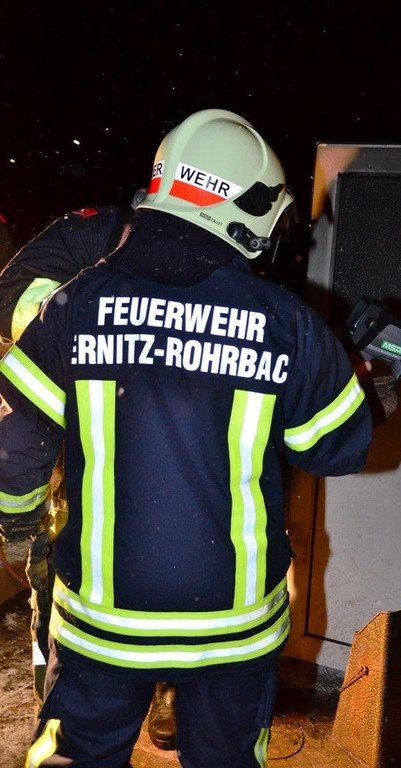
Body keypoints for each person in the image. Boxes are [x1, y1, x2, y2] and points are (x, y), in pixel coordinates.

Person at [0, 108, 373, 768]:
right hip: (234, 632)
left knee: (71, 757)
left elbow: (15, 453)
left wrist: (19, 529)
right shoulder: (287, 322)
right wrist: (378, 385)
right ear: (250, 210)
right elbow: (336, 448)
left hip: (103, 628)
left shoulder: (76, 303)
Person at [0, 197, 179, 750]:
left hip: (154, 446)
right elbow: (13, 302)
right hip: (71, 445)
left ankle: (168, 691)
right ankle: (56, 703)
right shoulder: (91, 235)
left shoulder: (199, 260)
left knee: (169, 575)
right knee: (57, 586)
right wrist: (81, 328)